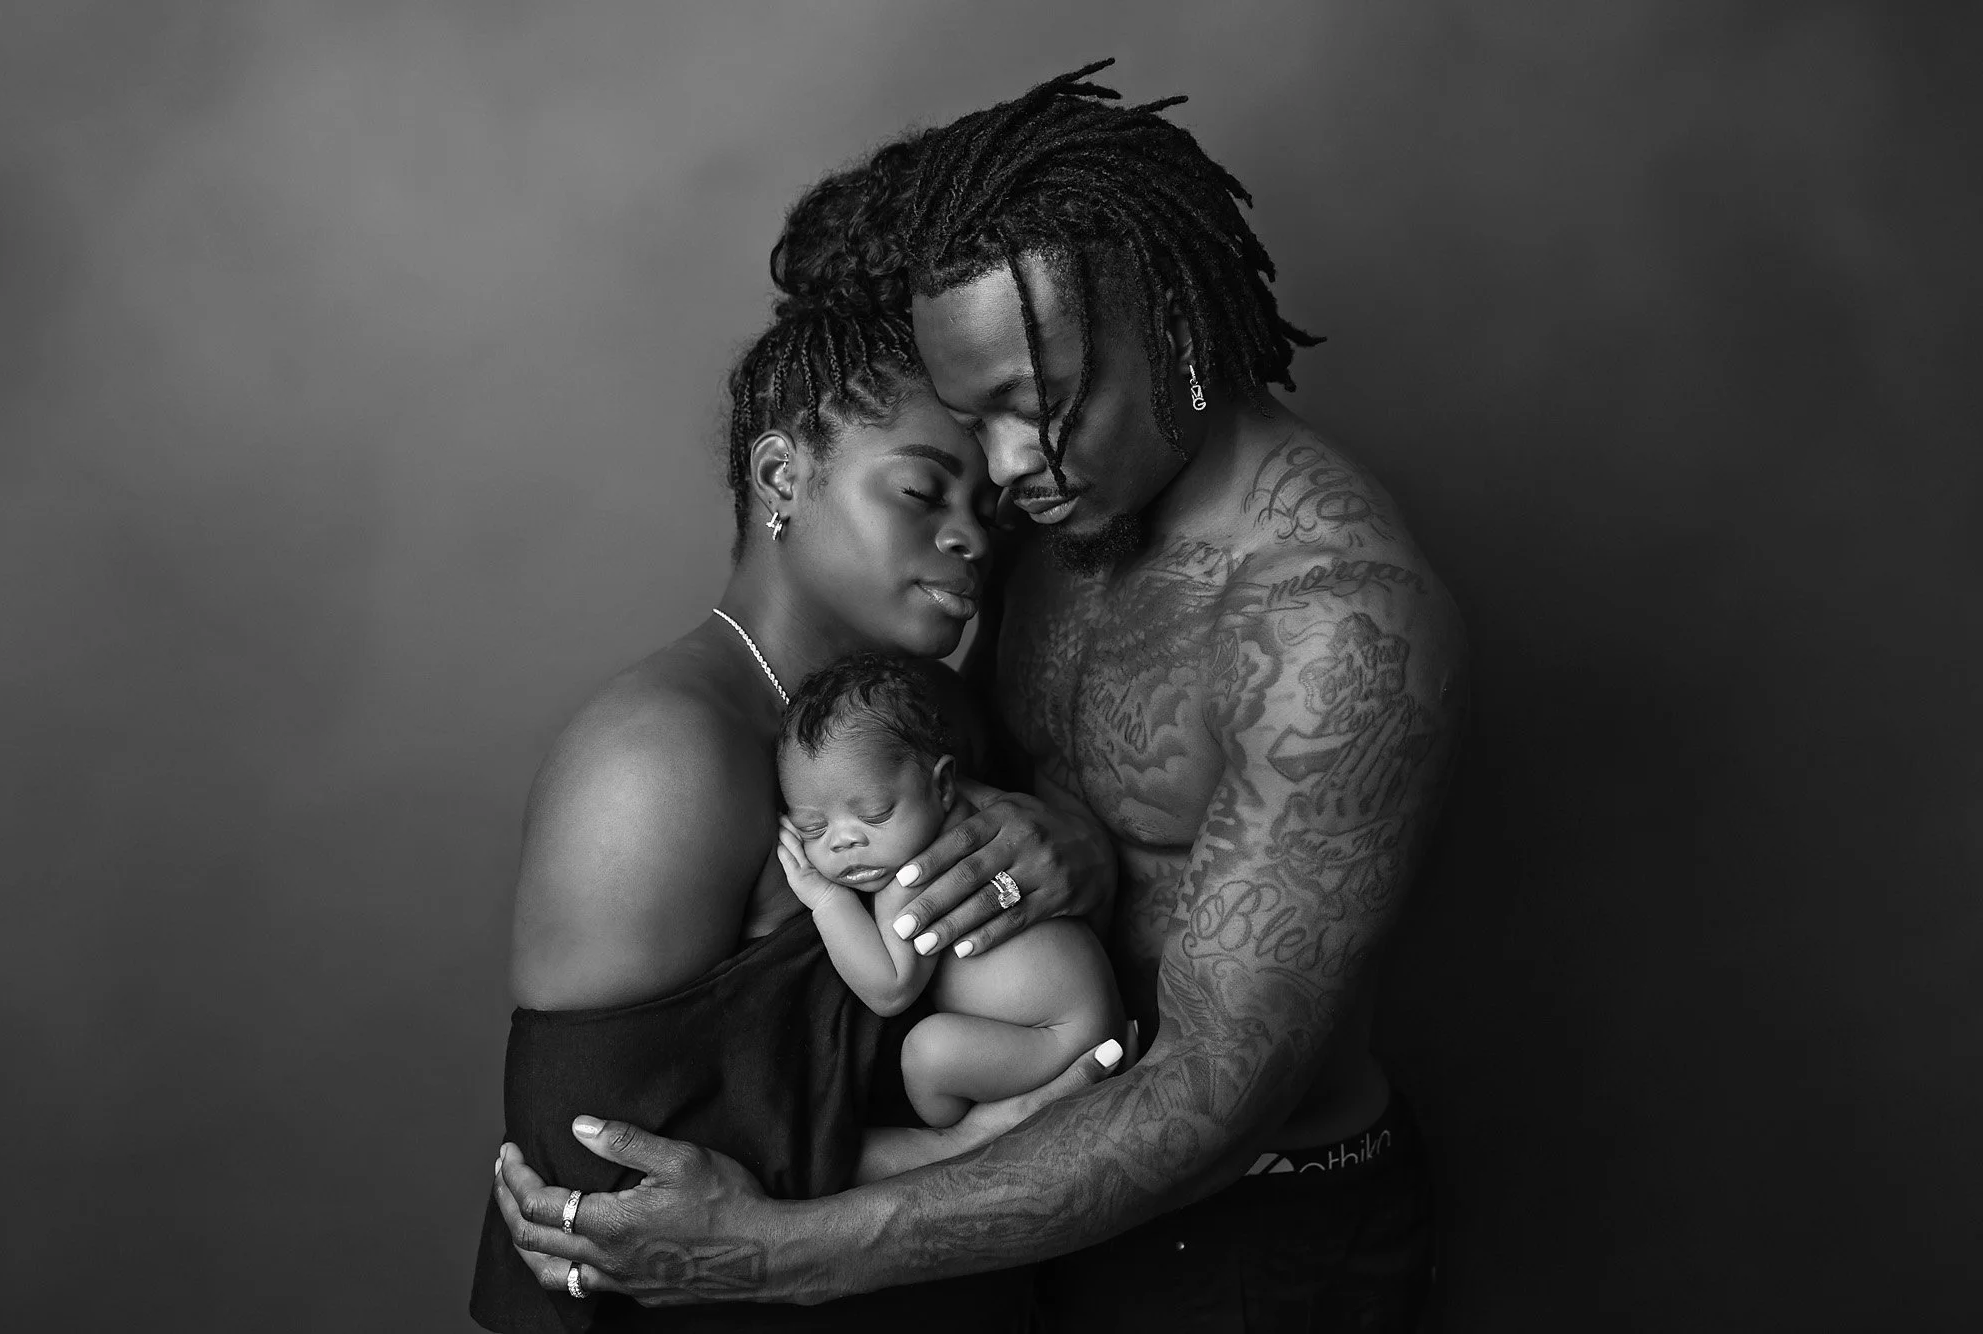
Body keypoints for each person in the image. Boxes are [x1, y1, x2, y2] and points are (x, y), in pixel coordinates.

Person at [495, 61, 1469, 1330]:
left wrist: (781, 1247)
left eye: (1036, 407)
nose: (1004, 470)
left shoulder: (1332, 623)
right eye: (972, 421)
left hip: (1241, 1244)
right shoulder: (1051, 509)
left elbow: (1214, 1098)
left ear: (1171, 327)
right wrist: (1068, 841)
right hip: (988, 1228)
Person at [471, 240, 1127, 1333]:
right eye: (924, 489)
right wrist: (948, 1154)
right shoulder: (656, 762)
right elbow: (591, 1187)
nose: (971, 532)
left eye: (988, 504)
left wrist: (1077, 857)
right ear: (782, 477)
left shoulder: (928, 717)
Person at [774, 653, 1125, 1127]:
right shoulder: (963, 811)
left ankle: (966, 1136)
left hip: (1058, 1040)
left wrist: (824, 898)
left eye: (875, 814)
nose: (843, 841)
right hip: (1082, 1022)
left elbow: (890, 990)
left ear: (942, 785)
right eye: (812, 829)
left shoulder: (917, 874)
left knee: (925, 1052)